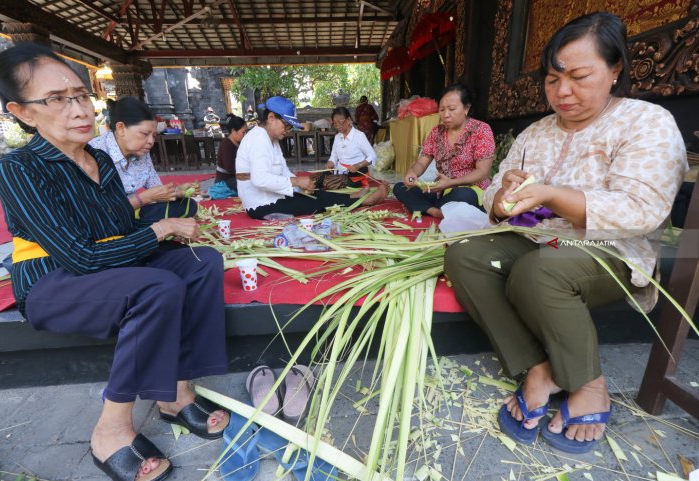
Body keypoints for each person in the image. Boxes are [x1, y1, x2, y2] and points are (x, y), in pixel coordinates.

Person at [443, 12, 687, 453]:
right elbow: (498, 189)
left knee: (540, 272)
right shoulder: (535, 132)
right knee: (464, 254)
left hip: (610, 249)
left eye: (578, 76)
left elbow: (643, 209)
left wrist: (553, 195)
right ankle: (536, 367)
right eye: (553, 80)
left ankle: (588, 384)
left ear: (615, 70)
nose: (563, 92)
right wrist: (500, 200)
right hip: (537, 240)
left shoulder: (646, 123)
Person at [0, 43, 230, 481]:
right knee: (158, 286)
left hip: (106, 266)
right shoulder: (18, 168)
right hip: (52, 281)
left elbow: (120, 230)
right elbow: (80, 256)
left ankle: (176, 395)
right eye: (57, 99)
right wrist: (159, 232)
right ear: (24, 113)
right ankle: (111, 430)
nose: (79, 109)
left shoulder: (100, 158)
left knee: (200, 263)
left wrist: (170, 231)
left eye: (81, 95)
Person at [236, 96, 389, 220]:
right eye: (287, 125)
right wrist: (296, 181)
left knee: (315, 193)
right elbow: (259, 179)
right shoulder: (258, 139)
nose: (288, 131)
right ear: (271, 118)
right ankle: (363, 202)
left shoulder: (272, 140)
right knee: (314, 203)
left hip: (273, 195)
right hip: (261, 204)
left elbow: (283, 170)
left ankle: (354, 196)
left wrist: (298, 185)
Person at [90, 97, 199, 226]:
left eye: (153, 136)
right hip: (105, 221)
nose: (151, 142)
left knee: (188, 205)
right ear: (121, 128)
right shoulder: (95, 153)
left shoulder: (142, 152)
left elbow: (156, 190)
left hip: (133, 212)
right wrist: (145, 198)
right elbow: (100, 212)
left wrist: (178, 192)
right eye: (144, 134)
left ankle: (143, 230)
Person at [393, 84, 495, 219]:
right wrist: (412, 174)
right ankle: (435, 211)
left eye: (452, 109)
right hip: (440, 190)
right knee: (400, 187)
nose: (445, 115)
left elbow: (483, 172)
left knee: (463, 196)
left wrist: (452, 183)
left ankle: (425, 207)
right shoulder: (436, 132)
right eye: (441, 110)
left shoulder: (481, 130)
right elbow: (422, 163)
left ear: (466, 108)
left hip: (471, 190)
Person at [318, 106, 377, 189]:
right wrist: (330, 163)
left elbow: (372, 156)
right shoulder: (337, 137)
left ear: (349, 120)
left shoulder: (359, 136)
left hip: (355, 175)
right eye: (335, 123)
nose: (338, 126)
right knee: (317, 179)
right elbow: (334, 157)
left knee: (329, 184)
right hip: (339, 172)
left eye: (340, 122)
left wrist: (358, 165)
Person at [215, 113, 248, 192]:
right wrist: (247, 175)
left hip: (236, 176)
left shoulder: (240, 143)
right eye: (243, 132)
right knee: (250, 183)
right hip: (225, 180)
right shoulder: (226, 144)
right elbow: (230, 167)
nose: (245, 135)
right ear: (233, 131)